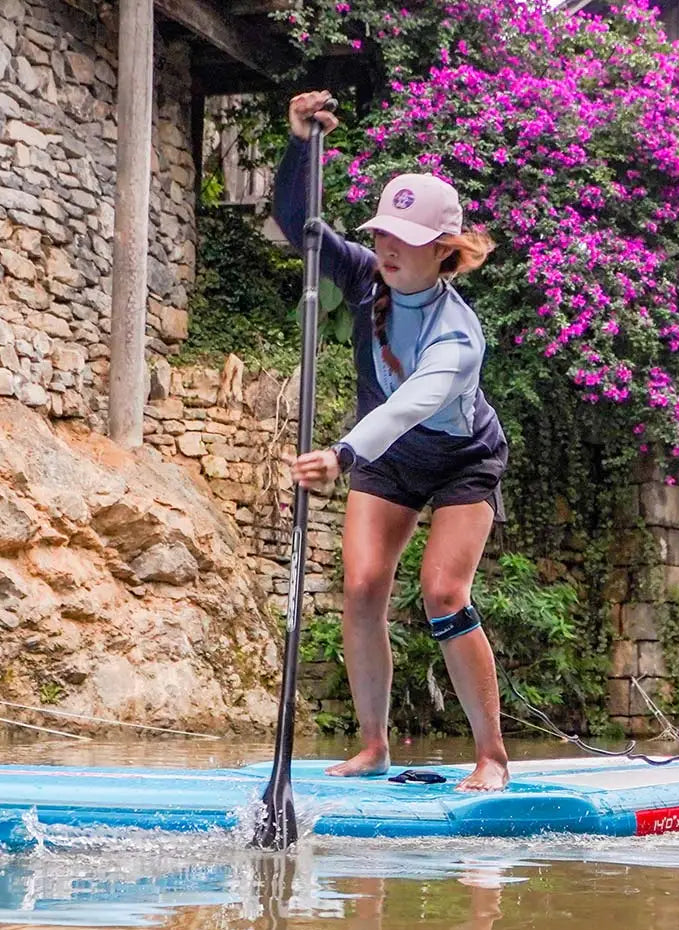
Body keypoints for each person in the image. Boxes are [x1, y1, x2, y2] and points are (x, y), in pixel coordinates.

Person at [273, 90, 510, 790]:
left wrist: (343, 453)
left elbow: (410, 404)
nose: (383, 250)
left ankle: (491, 756)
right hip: (389, 460)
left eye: (400, 244)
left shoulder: (460, 336)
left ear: (443, 251)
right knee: (363, 586)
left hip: (460, 458)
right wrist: (297, 146)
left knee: (442, 593)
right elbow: (299, 225)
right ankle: (373, 746)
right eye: (378, 236)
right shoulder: (362, 275)